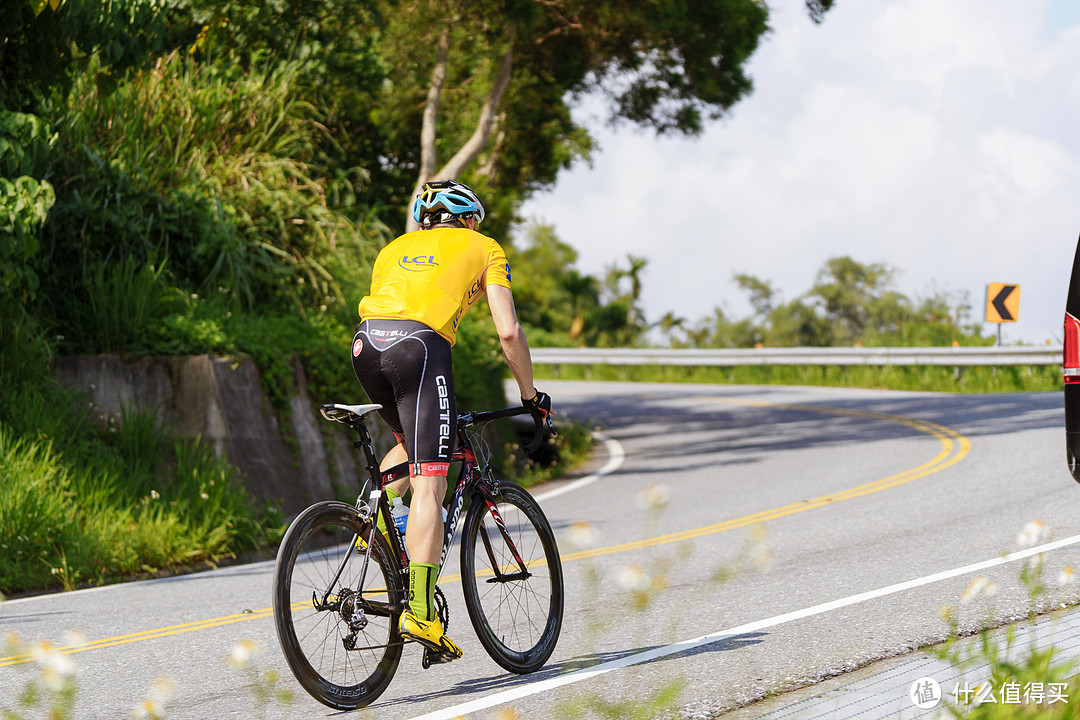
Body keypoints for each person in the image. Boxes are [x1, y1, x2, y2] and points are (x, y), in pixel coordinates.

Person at [350, 179, 552, 662]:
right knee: (429, 483)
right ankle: (419, 612)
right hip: (419, 348)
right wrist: (531, 397)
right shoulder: (484, 247)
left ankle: (372, 517)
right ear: (466, 219)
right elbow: (508, 331)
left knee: (411, 444)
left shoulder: (392, 249)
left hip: (365, 345)